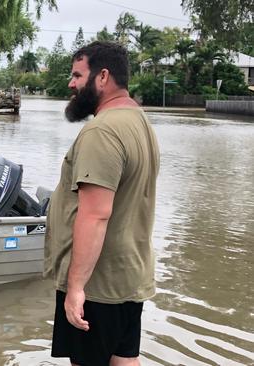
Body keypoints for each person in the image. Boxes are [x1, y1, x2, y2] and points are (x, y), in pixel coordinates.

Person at [44, 41, 160, 365]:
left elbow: (95, 214)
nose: (71, 83)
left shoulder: (102, 132)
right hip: (129, 276)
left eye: (77, 75)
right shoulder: (140, 122)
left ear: (102, 76)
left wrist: (76, 287)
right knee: (124, 359)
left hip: (98, 285)